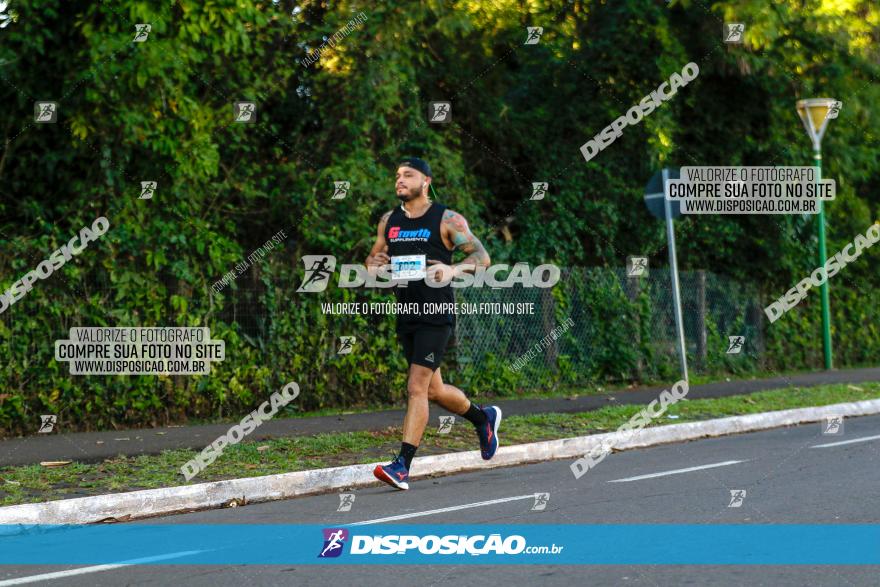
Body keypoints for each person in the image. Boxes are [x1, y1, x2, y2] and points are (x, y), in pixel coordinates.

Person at [365, 156, 502, 490]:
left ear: (425, 181)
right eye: (397, 175)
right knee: (435, 390)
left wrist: (453, 270)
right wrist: (375, 263)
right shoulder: (389, 220)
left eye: (407, 175)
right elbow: (372, 261)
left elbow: (482, 258)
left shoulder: (447, 219)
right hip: (407, 312)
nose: (399, 180)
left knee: (416, 387)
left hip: (436, 313)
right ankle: (483, 419)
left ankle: (401, 466)